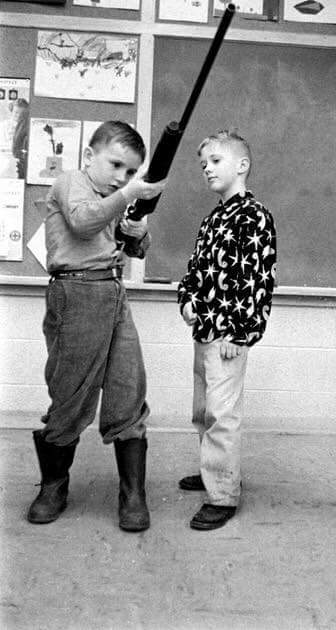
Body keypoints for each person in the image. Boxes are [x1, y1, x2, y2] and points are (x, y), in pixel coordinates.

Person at [27, 121, 166, 532]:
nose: (122, 177)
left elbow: (132, 247)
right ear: (90, 156)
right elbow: (84, 222)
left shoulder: (115, 198)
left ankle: (133, 495)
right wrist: (126, 196)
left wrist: (139, 233)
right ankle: (53, 487)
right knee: (70, 395)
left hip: (113, 294)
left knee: (128, 389)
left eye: (130, 171)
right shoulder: (70, 182)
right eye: (116, 165)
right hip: (75, 294)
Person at [178, 129, 276, 530]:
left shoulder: (253, 216)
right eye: (203, 164)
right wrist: (186, 298)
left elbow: (257, 279)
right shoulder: (213, 218)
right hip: (203, 330)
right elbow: (195, 270)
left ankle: (222, 494)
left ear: (242, 165)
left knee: (222, 413)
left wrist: (241, 332)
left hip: (228, 335)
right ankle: (215, 470)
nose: (207, 169)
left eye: (216, 161)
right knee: (204, 410)